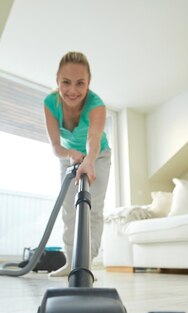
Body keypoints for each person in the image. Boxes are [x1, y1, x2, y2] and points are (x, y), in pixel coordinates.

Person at [43, 51, 111, 277]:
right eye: (66, 82)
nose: (72, 90)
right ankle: (70, 262)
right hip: (68, 155)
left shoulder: (96, 104)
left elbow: (94, 139)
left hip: (98, 156)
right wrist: (71, 154)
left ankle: (85, 265)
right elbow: (55, 146)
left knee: (93, 209)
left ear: (88, 83)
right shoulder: (50, 103)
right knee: (68, 210)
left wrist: (89, 161)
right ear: (57, 81)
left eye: (80, 83)